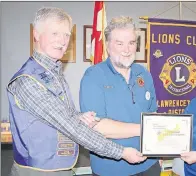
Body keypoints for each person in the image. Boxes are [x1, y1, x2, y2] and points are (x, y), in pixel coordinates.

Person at [6, 7, 146, 176]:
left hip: (61, 167)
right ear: (36, 34)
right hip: (38, 171)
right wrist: (122, 152)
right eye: (55, 33)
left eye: (66, 35)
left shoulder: (53, 71)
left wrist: (78, 116)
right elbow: (72, 128)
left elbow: (61, 114)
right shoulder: (28, 80)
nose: (62, 40)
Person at [79, 16, 161, 176]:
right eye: (119, 43)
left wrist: (158, 149)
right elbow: (98, 127)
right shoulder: (93, 76)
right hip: (112, 168)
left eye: (131, 43)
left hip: (150, 164)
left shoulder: (144, 73)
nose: (127, 49)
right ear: (108, 46)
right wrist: (144, 129)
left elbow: (153, 115)